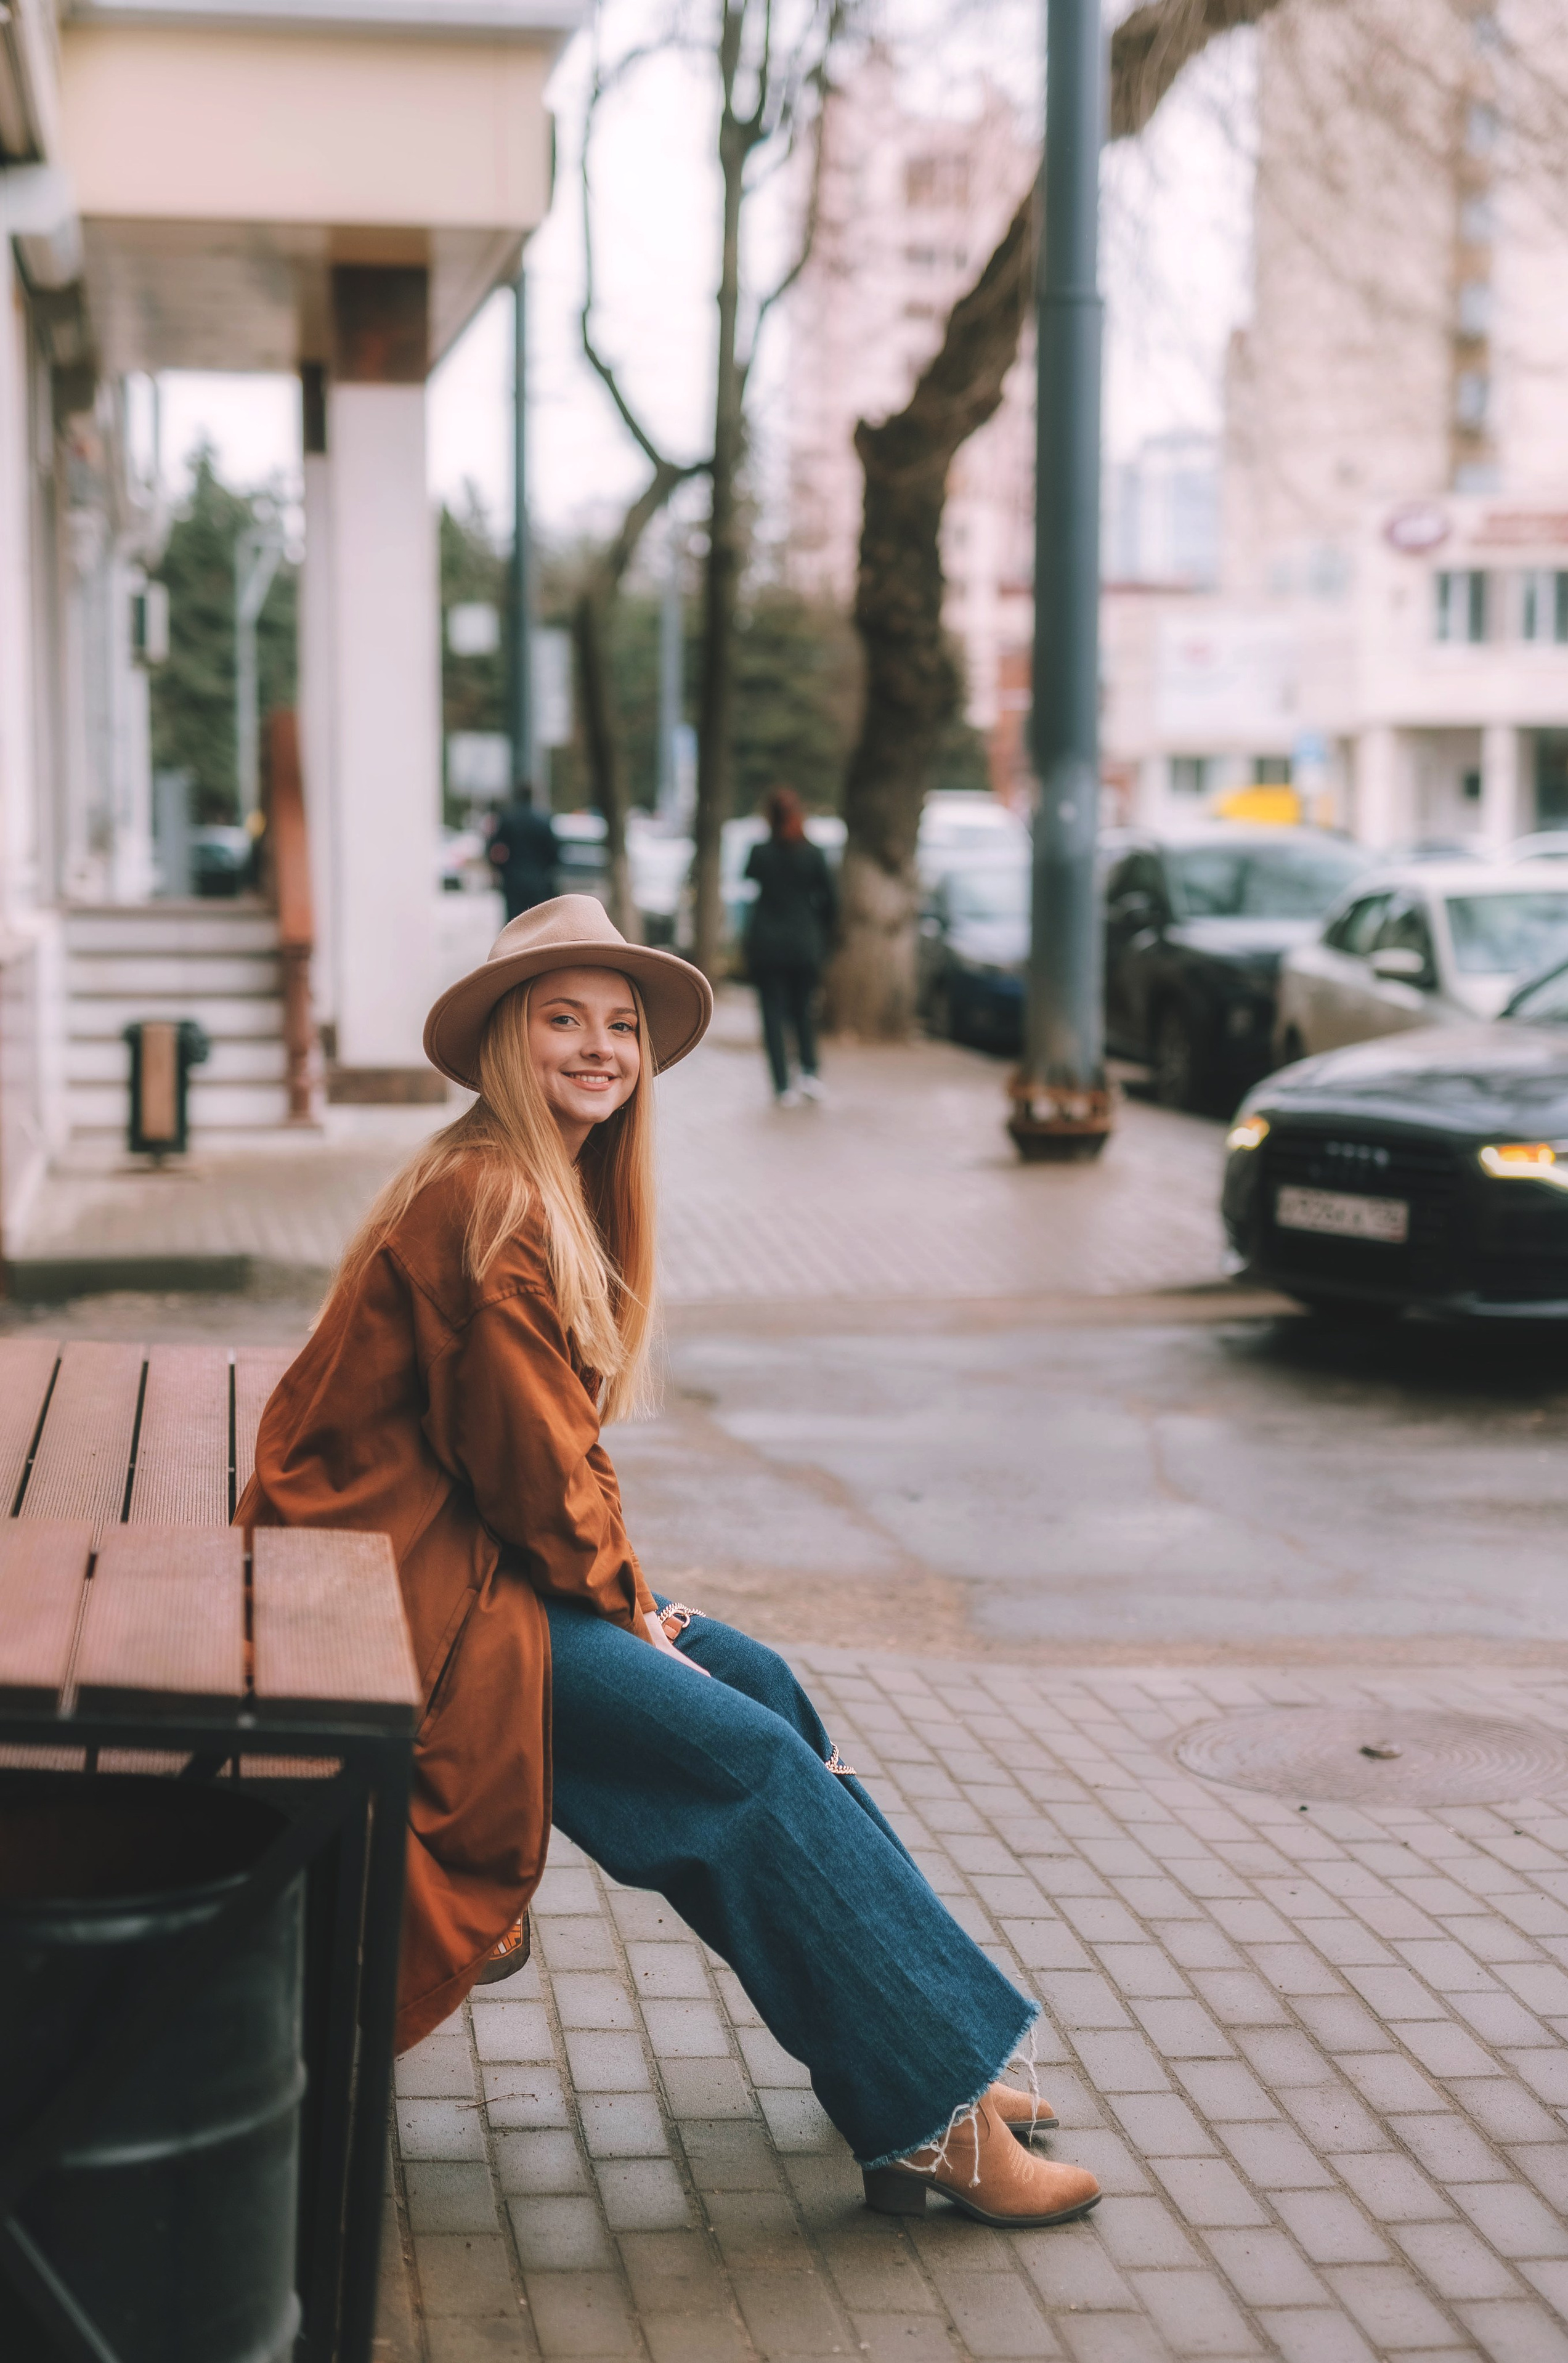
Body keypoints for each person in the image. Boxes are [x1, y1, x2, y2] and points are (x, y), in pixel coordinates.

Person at [235, 896, 1100, 2231]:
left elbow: (549, 1463)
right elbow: (534, 1477)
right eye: (563, 1021)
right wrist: (628, 1612)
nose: (599, 1048)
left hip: (456, 1571)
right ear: (509, 1044)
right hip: (406, 1605)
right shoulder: (490, 1206)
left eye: (621, 1027)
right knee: (744, 1766)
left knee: (757, 1681)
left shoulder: (530, 1183)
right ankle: (931, 2118)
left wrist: (638, 1604)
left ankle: (922, 2056)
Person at [744, 786, 837, 1107]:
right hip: (803, 945)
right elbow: (830, 900)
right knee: (803, 1010)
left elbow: (750, 883)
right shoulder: (813, 854)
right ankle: (809, 1073)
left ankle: (782, 1085)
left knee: (771, 1014)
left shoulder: (760, 853)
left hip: (767, 946)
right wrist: (820, 932)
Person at [487, 780, 560, 919]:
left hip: (513, 880)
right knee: (538, 920)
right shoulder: (543, 821)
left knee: (514, 921)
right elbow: (554, 853)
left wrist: (502, 870)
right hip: (539, 881)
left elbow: (495, 850)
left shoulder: (507, 820)